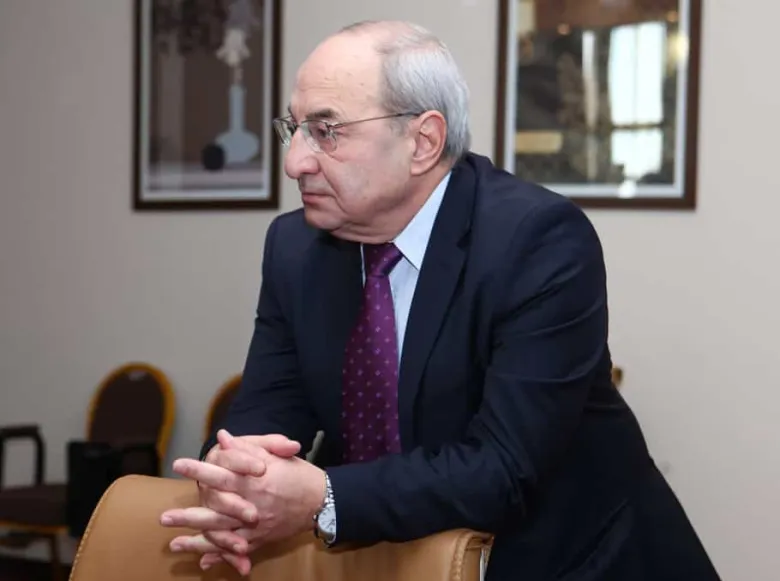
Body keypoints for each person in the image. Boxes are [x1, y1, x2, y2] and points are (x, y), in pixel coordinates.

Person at [159, 20, 721, 580]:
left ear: (423, 142)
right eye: (295, 128)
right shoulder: (295, 247)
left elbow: (504, 469)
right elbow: (267, 408)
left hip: (576, 561)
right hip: (401, 559)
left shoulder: (537, 240)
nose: (295, 162)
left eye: (326, 131)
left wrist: (323, 497)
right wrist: (232, 476)